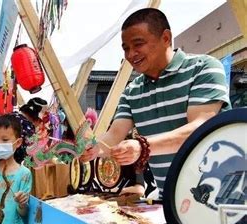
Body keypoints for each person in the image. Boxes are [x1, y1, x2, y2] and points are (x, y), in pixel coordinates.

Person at [82, 8, 231, 198]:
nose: (131, 54)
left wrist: (142, 147)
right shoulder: (132, 91)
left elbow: (199, 129)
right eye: (126, 48)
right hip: (170, 199)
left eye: (138, 44)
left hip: (220, 196)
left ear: (166, 38)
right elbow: (115, 134)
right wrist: (93, 149)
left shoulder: (204, 68)